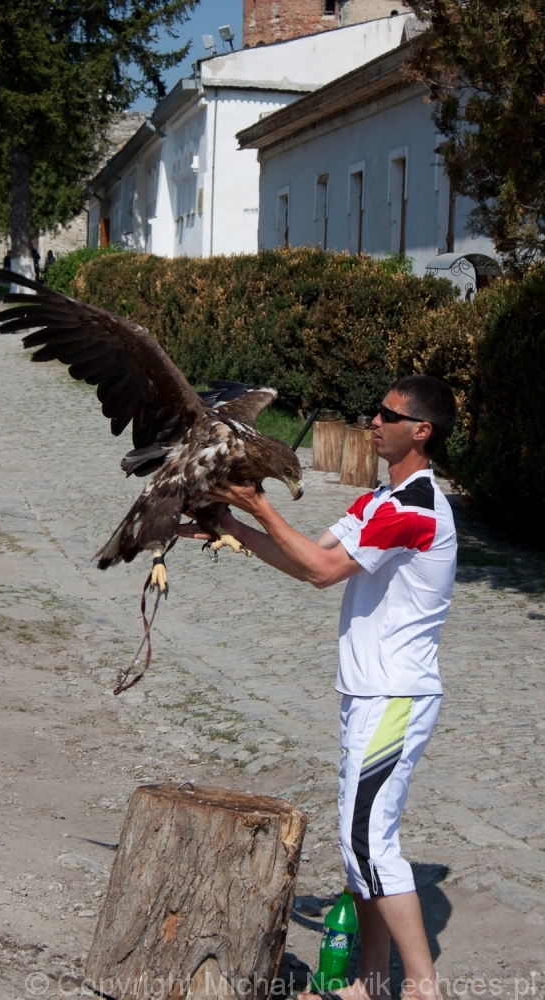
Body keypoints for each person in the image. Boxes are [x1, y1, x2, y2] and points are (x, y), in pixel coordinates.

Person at [178, 376, 458, 1000]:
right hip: (368, 692)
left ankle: (422, 989)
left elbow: (324, 571)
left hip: (395, 696)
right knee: (359, 844)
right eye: (375, 411)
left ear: (421, 431)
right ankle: (369, 985)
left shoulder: (413, 510)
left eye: (387, 415)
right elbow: (307, 558)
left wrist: (258, 507)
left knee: (369, 841)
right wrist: (226, 523)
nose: (373, 421)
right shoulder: (377, 501)